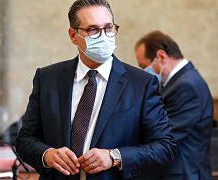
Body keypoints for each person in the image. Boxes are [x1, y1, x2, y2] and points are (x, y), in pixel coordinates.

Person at [16, 1, 177, 179]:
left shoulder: (141, 83)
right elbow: (25, 140)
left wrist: (114, 156)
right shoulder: (47, 79)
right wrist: (47, 155)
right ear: (73, 35)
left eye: (108, 28)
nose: (103, 36)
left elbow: (165, 147)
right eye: (92, 30)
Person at [135, 30, 213, 180]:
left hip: (184, 173)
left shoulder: (186, 85)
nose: (143, 72)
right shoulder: (178, 82)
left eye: (143, 66)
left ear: (161, 56)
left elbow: (166, 136)